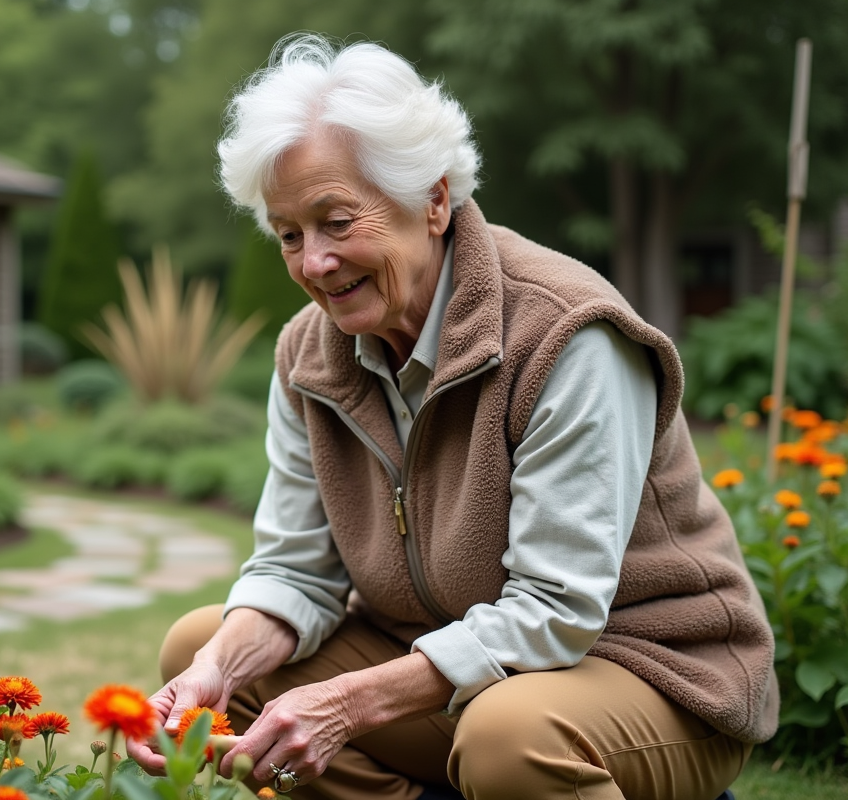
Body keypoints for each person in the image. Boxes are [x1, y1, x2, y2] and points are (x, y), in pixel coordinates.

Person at [128, 35, 778, 800]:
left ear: (434, 200)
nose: (312, 264)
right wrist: (216, 671)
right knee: (201, 646)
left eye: (337, 222)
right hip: (449, 676)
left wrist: (344, 703)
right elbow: (292, 570)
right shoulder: (309, 354)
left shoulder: (567, 333)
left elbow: (555, 612)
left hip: (647, 674)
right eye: (289, 234)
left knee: (510, 737)